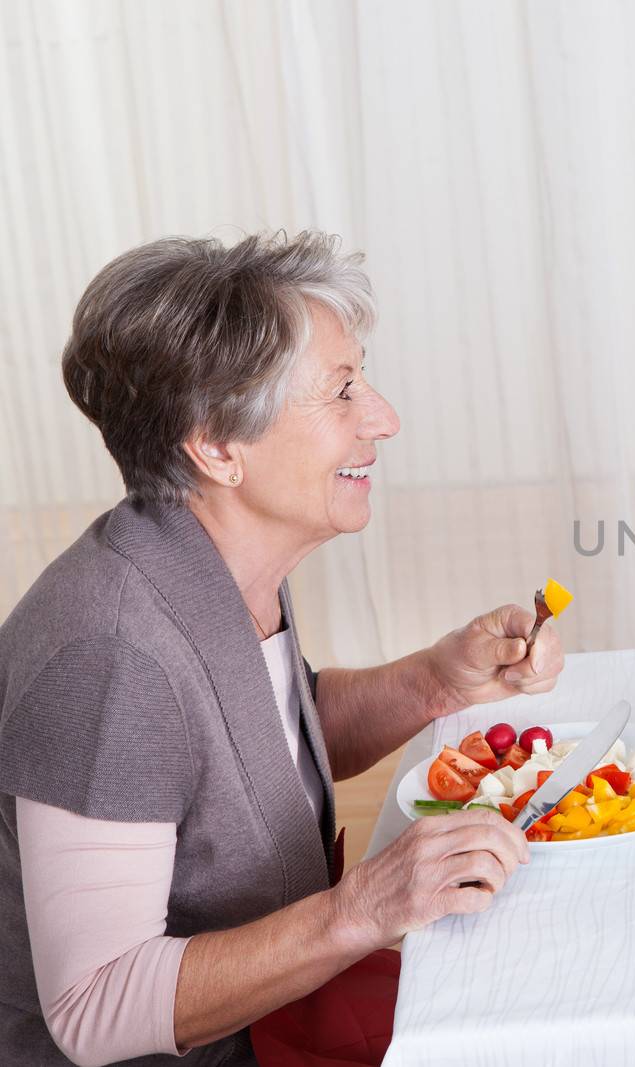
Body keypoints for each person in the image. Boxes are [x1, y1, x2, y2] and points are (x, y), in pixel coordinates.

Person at [0, 232, 566, 1065]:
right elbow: (94, 1007)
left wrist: (434, 682)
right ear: (219, 448)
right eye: (342, 392)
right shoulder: (110, 653)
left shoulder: (214, 559)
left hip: (283, 1015)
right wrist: (361, 907)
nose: (384, 417)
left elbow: (248, 752)